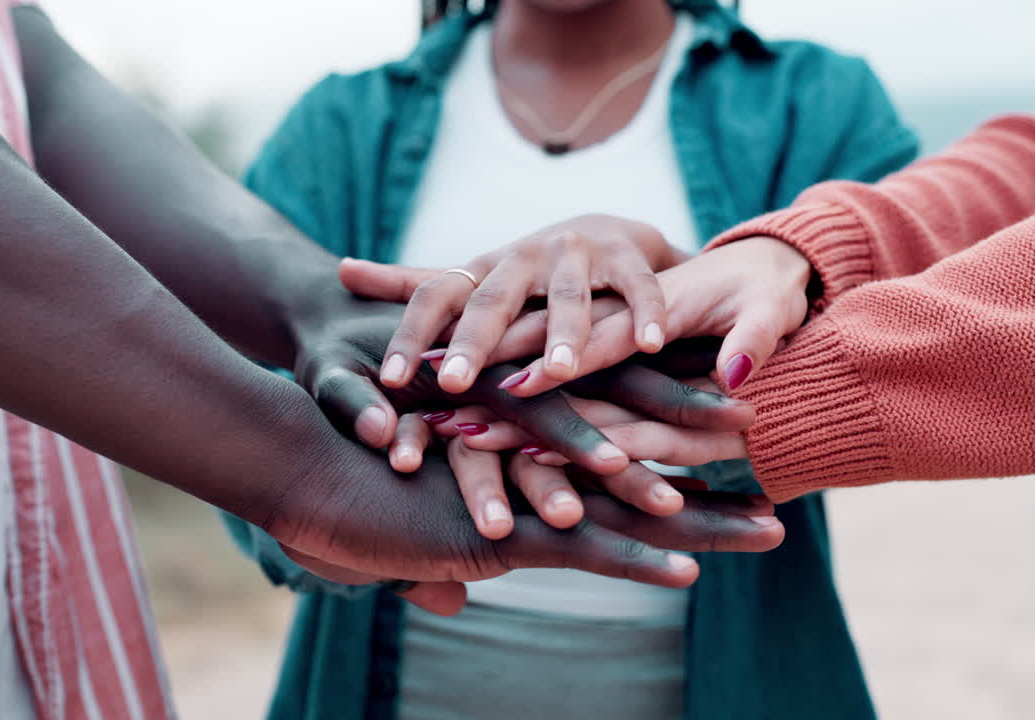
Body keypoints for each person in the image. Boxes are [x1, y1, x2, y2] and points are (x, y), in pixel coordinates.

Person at [0, 1, 785, 717]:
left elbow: (20, 79)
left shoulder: (804, 101)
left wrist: (319, 310)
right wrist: (298, 474)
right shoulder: (345, 120)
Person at [228, 0, 917, 718]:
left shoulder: (817, 102)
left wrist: (704, 326)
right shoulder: (340, 124)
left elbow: (896, 368)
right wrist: (333, 498)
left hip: (744, 678)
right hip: (390, 679)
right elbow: (241, 406)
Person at [350, 114, 1035, 498]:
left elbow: (812, 341)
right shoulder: (348, 116)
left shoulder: (816, 97)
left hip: (733, 644)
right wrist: (786, 247)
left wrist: (802, 372)